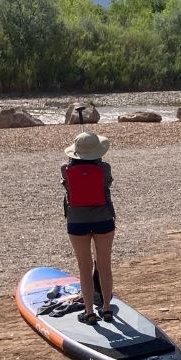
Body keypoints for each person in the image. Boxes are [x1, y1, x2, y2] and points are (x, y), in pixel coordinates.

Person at [61, 132, 115, 324]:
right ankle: (107, 309)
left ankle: (89, 311)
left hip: (77, 221)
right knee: (104, 265)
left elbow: (68, 188)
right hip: (104, 219)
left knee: (84, 267)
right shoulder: (105, 168)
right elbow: (106, 185)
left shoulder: (65, 169)